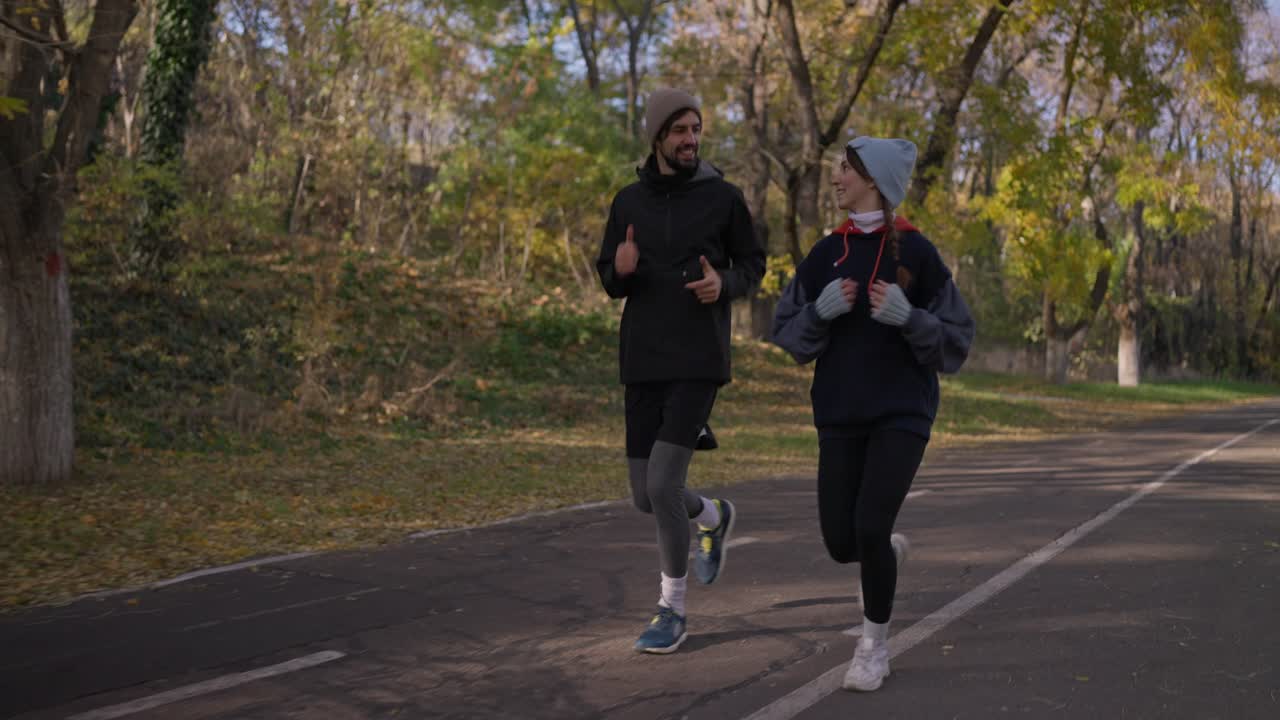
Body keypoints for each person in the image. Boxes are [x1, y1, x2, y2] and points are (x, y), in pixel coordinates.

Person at [771, 136, 975, 690]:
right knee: (843, 542)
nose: (835, 177)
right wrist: (818, 312)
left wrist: (912, 318)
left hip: (901, 412)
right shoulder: (823, 254)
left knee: (868, 523)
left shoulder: (917, 253)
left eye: (845, 169)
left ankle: (873, 648)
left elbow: (958, 342)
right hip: (839, 413)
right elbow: (787, 335)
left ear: (873, 180)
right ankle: (882, 554)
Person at [596, 88, 766, 654]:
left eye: (695, 128)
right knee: (646, 496)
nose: (691, 139)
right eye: (679, 131)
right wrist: (619, 272)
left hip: (698, 359)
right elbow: (609, 277)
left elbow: (753, 265)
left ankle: (672, 609)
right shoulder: (628, 201)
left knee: (664, 483)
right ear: (657, 138)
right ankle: (713, 514)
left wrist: (725, 284)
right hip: (642, 360)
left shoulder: (723, 198)